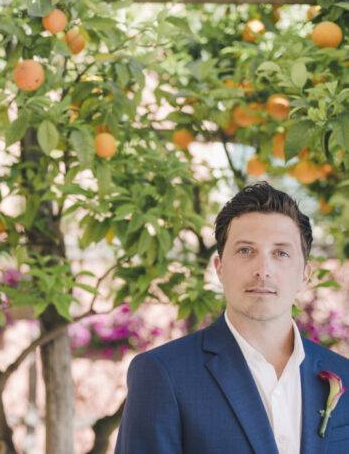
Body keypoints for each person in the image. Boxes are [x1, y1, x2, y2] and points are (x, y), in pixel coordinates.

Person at [115, 182, 349, 454]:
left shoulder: (343, 374)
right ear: (219, 268)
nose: (263, 270)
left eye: (281, 253)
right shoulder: (163, 374)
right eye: (246, 251)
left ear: (304, 274)